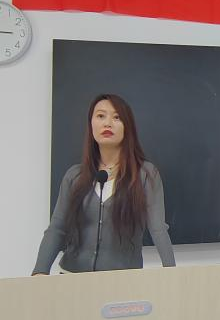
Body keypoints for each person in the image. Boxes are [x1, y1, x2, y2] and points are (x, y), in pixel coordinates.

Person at [32, 94, 175, 274]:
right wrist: (39, 272)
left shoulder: (145, 174)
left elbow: (158, 228)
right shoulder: (75, 176)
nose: (107, 123)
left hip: (122, 280)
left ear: (127, 126)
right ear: (91, 124)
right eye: (100, 116)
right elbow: (57, 228)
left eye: (116, 117)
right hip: (71, 277)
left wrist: (172, 274)